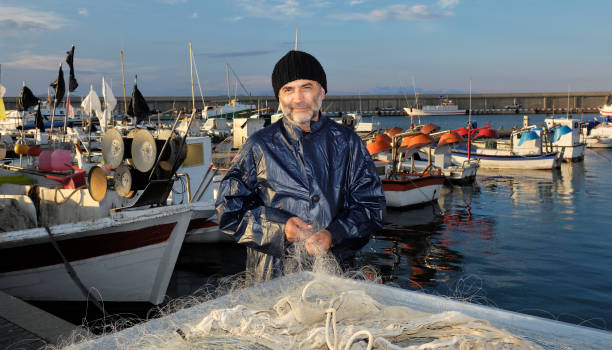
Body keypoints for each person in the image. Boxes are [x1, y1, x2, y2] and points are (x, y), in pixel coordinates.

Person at [215, 50, 386, 282]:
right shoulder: (259, 146)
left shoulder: (348, 143)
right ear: (279, 98)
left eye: (307, 87)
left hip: (335, 277)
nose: (298, 98)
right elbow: (229, 209)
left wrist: (333, 234)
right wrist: (280, 228)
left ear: (322, 92)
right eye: (288, 89)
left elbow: (371, 207)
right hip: (271, 279)